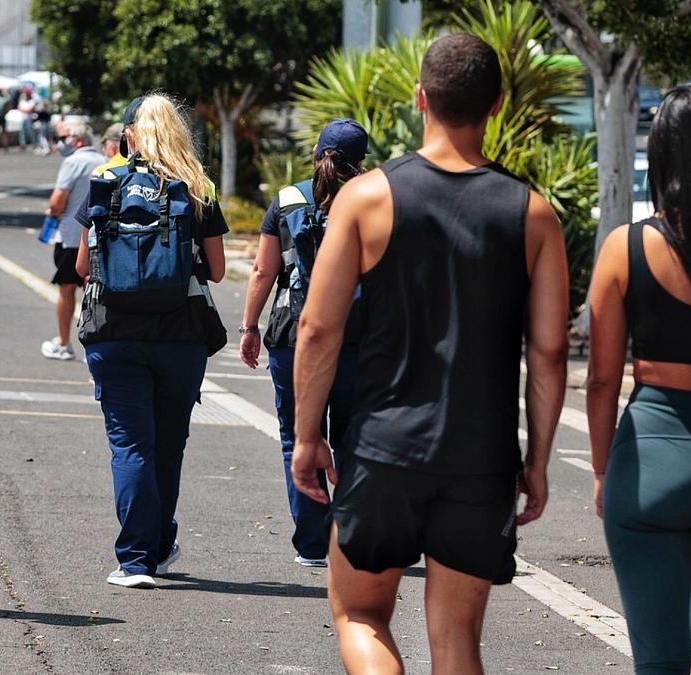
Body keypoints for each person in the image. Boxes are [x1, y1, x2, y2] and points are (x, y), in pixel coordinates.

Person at [291, 34, 569, 672]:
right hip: (479, 458)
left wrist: (308, 437)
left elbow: (317, 328)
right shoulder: (533, 215)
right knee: (457, 642)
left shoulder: (367, 197)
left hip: (384, 447)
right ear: (497, 105)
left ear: (420, 98)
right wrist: (539, 461)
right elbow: (549, 351)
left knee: (361, 614)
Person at [586, 84, 691, 675]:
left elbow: (601, 382)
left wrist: (603, 470)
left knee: (659, 659)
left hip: (650, 460)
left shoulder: (625, 247)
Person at [75, 94, 228, 589]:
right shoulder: (196, 186)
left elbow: (82, 267)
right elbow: (219, 271)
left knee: (130, 444)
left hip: (113, 333)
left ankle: (136, 560)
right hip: (180, 336)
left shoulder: (106, 181)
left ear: (131, 134)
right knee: (168, 445)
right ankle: (159, 547)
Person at [238, 118, 368, 567]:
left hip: (293, 334)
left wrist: (250, 327)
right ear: (362, 161)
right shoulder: (374, 199)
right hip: (356, 337)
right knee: (355, 440)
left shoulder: (288, 199)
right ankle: (350, 541)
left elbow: (262, 272)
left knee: (299, 436)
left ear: (316, 155)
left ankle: (312, 545)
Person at [40, 120, 105, 361]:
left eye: (64, 137)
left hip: (71, 236)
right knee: (97, 290)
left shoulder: (72, 162)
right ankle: (97, 342)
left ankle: (64, 342)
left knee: (66, 290)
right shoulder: (103, 162)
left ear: (78, 140)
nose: (60, 143)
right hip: (97, 237)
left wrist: (52, 212)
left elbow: (57, 202)